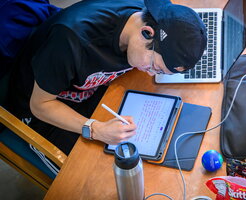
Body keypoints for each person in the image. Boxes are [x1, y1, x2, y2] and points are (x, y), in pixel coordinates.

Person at [7, 0, 207, 164]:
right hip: (44, 109)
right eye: (154, 66)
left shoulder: (154, 20)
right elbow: (40, 106)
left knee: (148, 158)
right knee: (93, 177)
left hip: (92, 89)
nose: (150, 73)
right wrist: (96, 129)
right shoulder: (71, 40)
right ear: (147, 33)